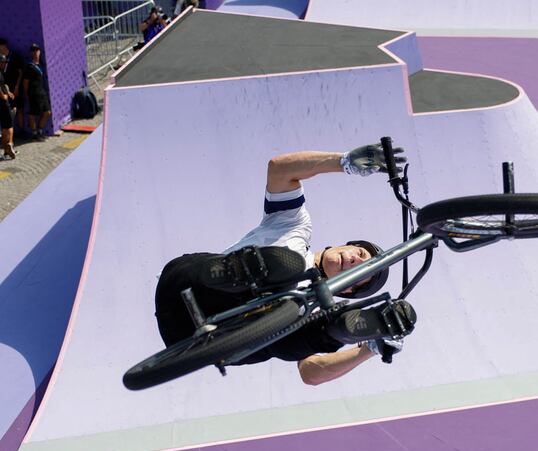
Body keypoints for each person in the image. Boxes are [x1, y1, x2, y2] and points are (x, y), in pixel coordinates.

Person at [155, 142, 417, 386]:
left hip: (200, 343)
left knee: (306, 328)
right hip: (186, 285)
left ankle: (342, 329)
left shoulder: (318, 310)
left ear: (348, 290)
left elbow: (311, 372)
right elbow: (280, 170)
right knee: (287, 266)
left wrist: (367, 351)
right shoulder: (294, 226)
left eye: (361, 271)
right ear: (343, 245)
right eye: (360, 252)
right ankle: (231, 271)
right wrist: (344, 161)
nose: (355, 260)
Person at [22, 43, 51, 141]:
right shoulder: (29, 66)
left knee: (47, 112)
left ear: (40, 52)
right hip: (33, 93)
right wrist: (26, 94)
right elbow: (25, 82)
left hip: (42, 92)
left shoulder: (41, 64)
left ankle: (40, 131)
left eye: (37, 50)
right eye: (33, 51)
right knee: (33, 114)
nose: (35, 52)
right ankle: (34, 133)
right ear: (31, 53)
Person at [0, 39, 25, 135]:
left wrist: (17, 87)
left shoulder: (14, 55)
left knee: (19, 109)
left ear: (4, 46)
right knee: (8, 110)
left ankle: (21, 131)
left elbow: (20, 72)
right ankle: (10, 131)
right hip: (4, 89)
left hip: (15, 88)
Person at [0, 57, 16, 160]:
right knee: (9, 126)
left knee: (5, 127)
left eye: (5, 62)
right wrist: (3, 96)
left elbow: (2, 85)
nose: (4, 64)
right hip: (3, 103)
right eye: (3, 62)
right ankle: (9, 145)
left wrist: (8, 92)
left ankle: (7, 151)